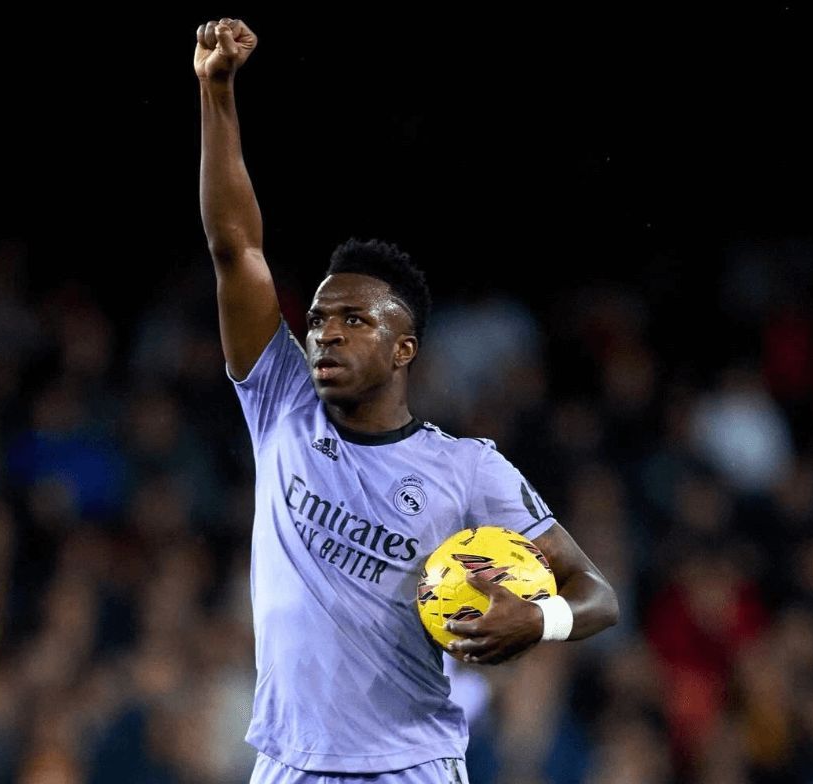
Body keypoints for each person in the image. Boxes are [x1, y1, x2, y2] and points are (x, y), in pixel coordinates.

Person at [195, 17, 619, 783]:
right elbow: (238, 248)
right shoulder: (281, 403)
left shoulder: (466, 469)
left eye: (353, 319)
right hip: (286, 764)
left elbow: (597, 594)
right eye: (319, 319)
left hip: (411, 765)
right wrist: (216, 92)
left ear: (404, 348)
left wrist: (541, 615)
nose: (325, 335)